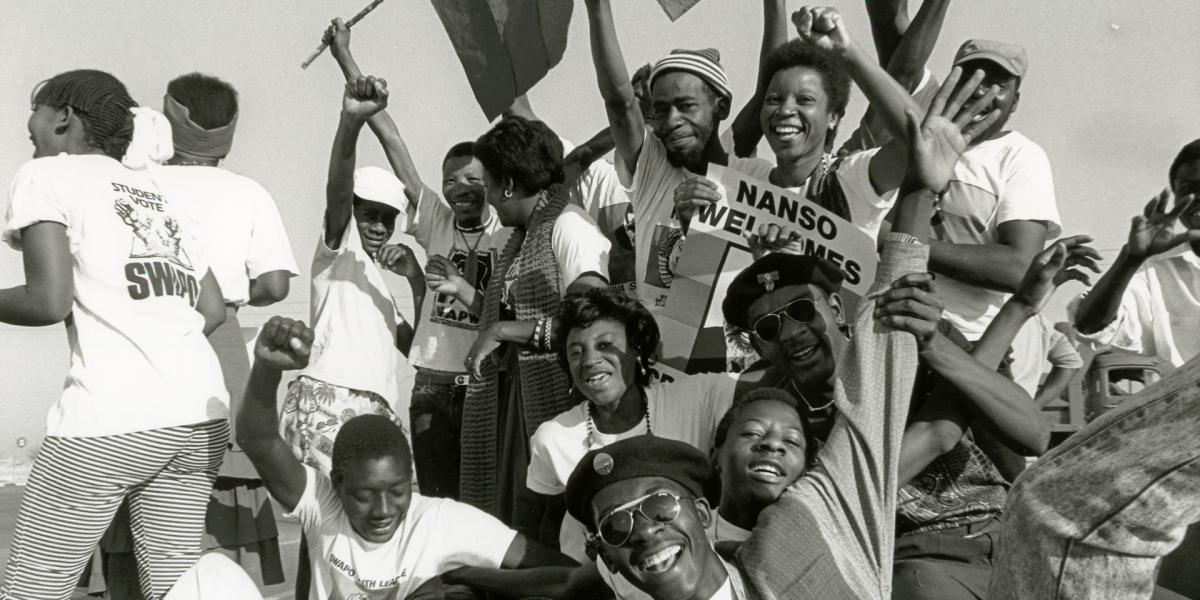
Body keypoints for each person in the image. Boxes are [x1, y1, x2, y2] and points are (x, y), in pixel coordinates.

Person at [560, 57, 1014, 600]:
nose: (784, 112)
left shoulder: (848, 179)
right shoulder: (781, 457)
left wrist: (918, 186)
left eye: (805, 100)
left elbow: (915, 155)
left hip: (894, 368)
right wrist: (695, 229)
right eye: (774, 99)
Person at [0, 69, 228, 599]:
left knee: (32, 591)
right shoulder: (159, 191)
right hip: (200, 418)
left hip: (109, 421)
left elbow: (47, 300)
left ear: (63, 118)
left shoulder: (46, 176)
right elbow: (211, 309)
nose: (27, 126)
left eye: (35, 111)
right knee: (173, 591)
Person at [235, 316, 577, 599]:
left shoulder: (439, 521)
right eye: (365, 495)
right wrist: (267, 368)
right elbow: (258, 439)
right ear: (337, 483)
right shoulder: (322, 505)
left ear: (410, 474)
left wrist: (476, 579)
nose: (383, 510)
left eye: (398, 490)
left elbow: (563, 573)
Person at [322, 17, 509, 500]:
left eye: (472, 180)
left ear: (490, 183)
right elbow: (391, 139)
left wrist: (462, 289)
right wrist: (345, 56)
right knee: (438, 501)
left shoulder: (508, 234)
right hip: (429, 383)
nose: (459, 190)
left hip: (480, 382)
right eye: (450, 181)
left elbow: (503, 316)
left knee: (482, 501)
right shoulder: (438, 223)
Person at [443, 116, 610, 531]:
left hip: (550, 406)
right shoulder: (518, 239)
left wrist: (502, 331)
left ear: (510, 185)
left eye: (489, 185)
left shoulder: (570, 227)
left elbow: (592, 323)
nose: (489, 200)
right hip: (511, 404)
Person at [279, 74, 420, 477]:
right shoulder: (339, 251)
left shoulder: (378, 289)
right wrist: (351, 123)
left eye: (387, 219)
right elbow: (338, 189)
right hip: (331, 395)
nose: (377, 227)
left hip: (378, 407)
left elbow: (420, 350)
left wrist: (415, 279)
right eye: (368, 214)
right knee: (325, 522)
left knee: (368, 531)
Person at [927, 38, 1062, 346]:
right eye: (970, 78)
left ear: (1015, 102)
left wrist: (905, 245)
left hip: (967, 343)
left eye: (998, 84)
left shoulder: (1020, 156)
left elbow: (1020, 268)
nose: (980, 91)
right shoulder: (920, 136)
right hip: (891, 323)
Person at [1070, 139, 1200, 373]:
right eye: (1188, 190)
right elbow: (1090, 326)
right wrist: (1130, 258)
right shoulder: (1155, 270)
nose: (1197, 198)